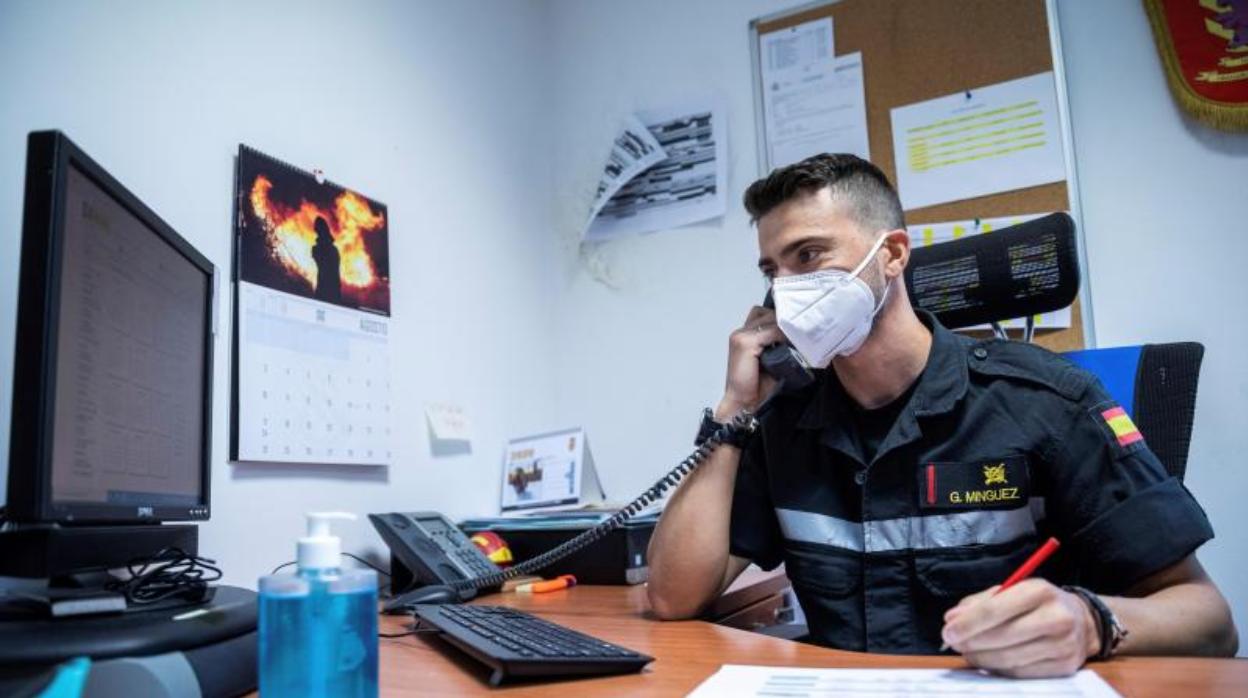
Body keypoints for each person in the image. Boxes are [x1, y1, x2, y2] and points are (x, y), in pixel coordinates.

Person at [646, 153, 1237, 677]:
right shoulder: (782, 421)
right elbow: (673, 596)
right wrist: (733, 410)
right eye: (773, 271)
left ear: (893, 254)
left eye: (809, 255)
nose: (788, 288)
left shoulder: (1048, 403)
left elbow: (1209, 621)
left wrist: (1089, 622)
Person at [312, 216, 342, 304]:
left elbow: (323, 265)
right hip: (333, 289)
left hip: (326, 288)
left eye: (317, 229)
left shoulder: (325, 249)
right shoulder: (333, 249)